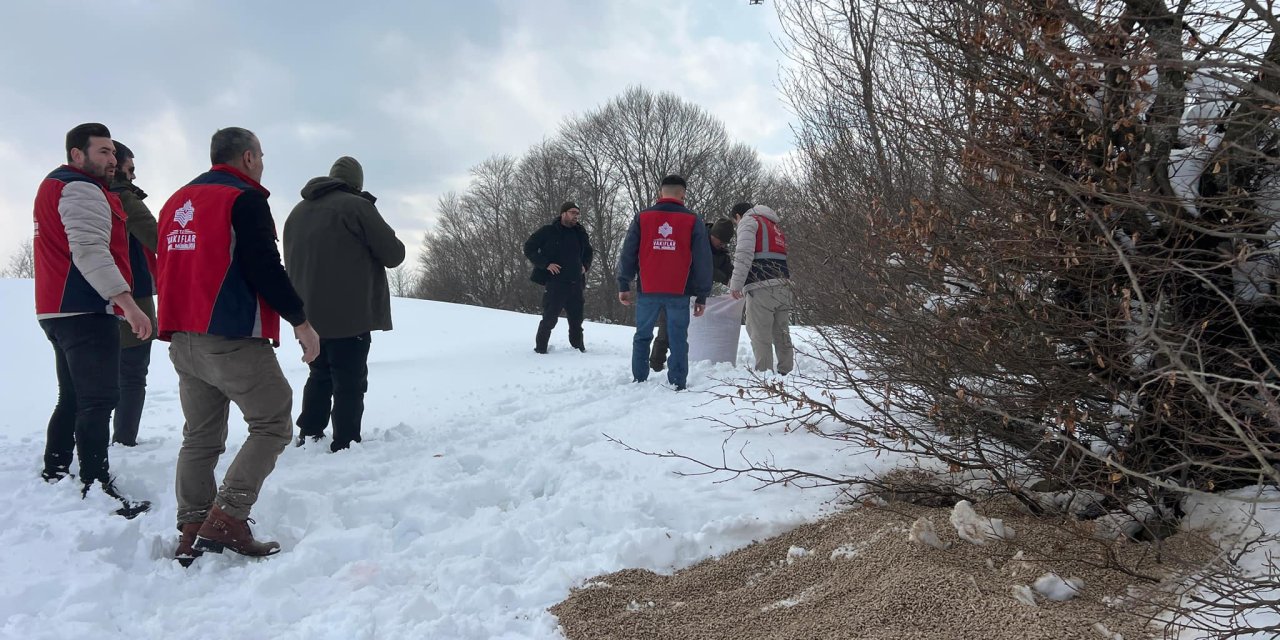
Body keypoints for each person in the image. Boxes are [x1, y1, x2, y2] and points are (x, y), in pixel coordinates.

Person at [156, 127, 320, 565]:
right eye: (261, 156)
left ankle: (192, 525)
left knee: (200, 436)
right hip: (229, 336)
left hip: (182, 336)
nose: (262, 163)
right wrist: (300, 321)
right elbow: (264, 266)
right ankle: (227, 517)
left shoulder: (176, 202)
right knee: (273, 421)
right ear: (248, 157)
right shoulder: (243, 199)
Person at [33, 123, 152, 518]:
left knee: (72, 395)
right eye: (103, 152)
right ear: (77, 154)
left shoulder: (54, 185)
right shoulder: (81, 188)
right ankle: (96, 485)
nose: (112, 160)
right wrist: (128, 305)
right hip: (84, 309)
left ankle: (55, 468)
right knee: (100, 399)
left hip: (56, 309)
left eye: (113, 153)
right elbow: (90, 252)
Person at [284, 156, 406, 452]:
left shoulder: (297, 212)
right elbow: (394, 254)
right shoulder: (356, 207)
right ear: (356, 183)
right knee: (350, 382)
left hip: (307, 318)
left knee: (319, 375)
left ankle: (310, 433)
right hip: (350, 314)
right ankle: (346, 443)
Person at [616, 175, 712, 391]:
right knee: (678, 337)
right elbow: (703, 260)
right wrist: (702, 294)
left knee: (642, 335)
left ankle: (639, 379)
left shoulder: (642, 217)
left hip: (648, 288)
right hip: (679, 290)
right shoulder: (693, 220)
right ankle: (677, 381)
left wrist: (624, 283)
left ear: (661, 192)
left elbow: (628, 253)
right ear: (683, 194)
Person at [108, 141, 159, 447]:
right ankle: (124, 440)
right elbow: (159, 239)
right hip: (132, 295)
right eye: (130, 169)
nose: (134, 176)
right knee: (133, 371)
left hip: (95, 294)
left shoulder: (91, 194)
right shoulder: (124, 198)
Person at [649, 217, 735, 372]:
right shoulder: (697, 241)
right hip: (676, 288)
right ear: (712, 235)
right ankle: (656, 363)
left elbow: (728, 269)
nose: (721, 245)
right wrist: (724, 279)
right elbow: (701, 266)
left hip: (697, 294)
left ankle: (680, 364)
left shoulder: (721, 252)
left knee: (683, 332)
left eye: (724, 243)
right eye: (719, 241)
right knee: (666, 328)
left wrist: (734, 281)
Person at [728, 202, 795, 375]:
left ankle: (765, 374)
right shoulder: (773, 225)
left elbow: (743, 254)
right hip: (783, 284)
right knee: (781, 331)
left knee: (759, 332)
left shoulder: (748, 221)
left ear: (737, 216)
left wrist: (735, 285)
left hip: (761, 285)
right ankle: (785, 370)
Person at [524, 201, 594, 353]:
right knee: (549, 319)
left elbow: (589, 252)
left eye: (577, 213)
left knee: (576, 322)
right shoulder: (548, 231)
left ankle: (578, 349)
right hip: (556, 284)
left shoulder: (580, 232)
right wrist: (545, 264)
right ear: (563, 213)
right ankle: (541, 350)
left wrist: (585, 266)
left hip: (576, 283)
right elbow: (528, 247)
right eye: (573, 212)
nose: (576, 216)